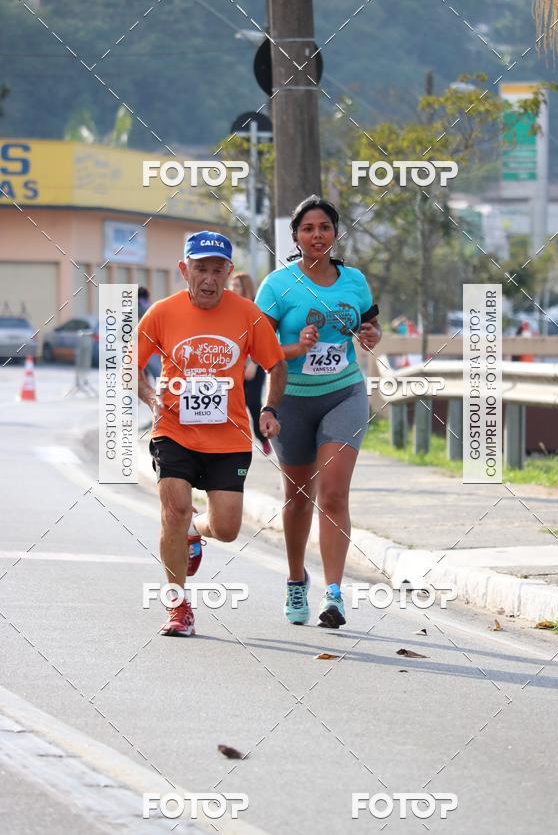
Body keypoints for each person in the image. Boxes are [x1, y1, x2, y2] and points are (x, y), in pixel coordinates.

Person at [136, 231, 286, 636]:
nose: (208, 279)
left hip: (230, 436)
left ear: (228, 272)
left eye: (217, 270)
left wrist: (269, 409)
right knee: (174, 508)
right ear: (185, 270)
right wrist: (151, 400)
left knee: (226, 528)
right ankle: (177, 605)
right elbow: (130, 365)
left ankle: (193, 532)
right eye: (200, 269)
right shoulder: (162, 314)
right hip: (173, 430)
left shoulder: (247, 314)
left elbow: (276, 364)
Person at [255, 195, 381, 628]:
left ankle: (333, 594)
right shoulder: (277, 285)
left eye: (324, 227)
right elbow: (260, 350)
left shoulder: (355, 281)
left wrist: (369, 334)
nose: (317, 235)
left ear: (335, 233)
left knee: (333, 492)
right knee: (297, 498)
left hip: (344, 393)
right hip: (292, 400)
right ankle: (295, 580)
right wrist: (296, 347)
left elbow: (372, 326)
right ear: (296, 236)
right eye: (308, 228)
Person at [230, 272, 271, 455]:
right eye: (231, 285)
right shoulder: (228, 308)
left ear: (246, 288)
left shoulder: (255, 308)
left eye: (236, 285)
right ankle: (235, 442)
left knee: (253, 403)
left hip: (254, 364)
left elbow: (260, 340)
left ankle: (263, 438)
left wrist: (252, 364)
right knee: (234, 404)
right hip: (233, 365)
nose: (232, 289)